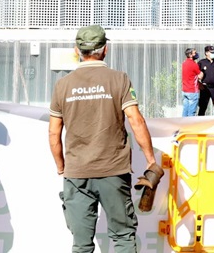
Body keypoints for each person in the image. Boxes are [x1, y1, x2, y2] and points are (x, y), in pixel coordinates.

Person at [48, 25, 157, 253]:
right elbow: (136, 121)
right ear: (105, 49)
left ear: (77, 50)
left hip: (77, 173)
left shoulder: (62, 85)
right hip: (113, 171)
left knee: (81, 244)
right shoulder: (119, 79)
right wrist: (150, 160)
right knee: (124, 237)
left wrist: (61, 167)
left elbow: (54, 132)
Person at [181, 48, 201, 117]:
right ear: (190, 55)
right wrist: (203, 72)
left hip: (185, 90)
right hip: (192, 91)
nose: (196, 54)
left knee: (185, 111)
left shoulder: (184, 63)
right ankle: (190, 127)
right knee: (191, 112)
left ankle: (183, 125)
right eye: (194, 53)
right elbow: (200, 76)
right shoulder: (194, 64)